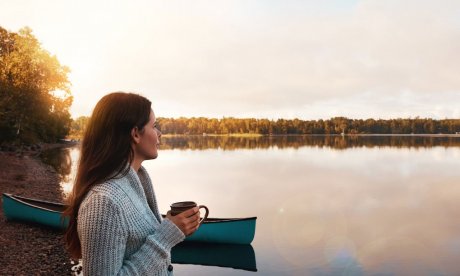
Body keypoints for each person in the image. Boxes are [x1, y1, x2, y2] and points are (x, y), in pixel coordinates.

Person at [63, 92, 201, 275]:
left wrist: (173, 225)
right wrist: (167, 236)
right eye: (154, 126)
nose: (159, 133)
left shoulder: (137, 181)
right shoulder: (103, 202)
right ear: (135, 134)